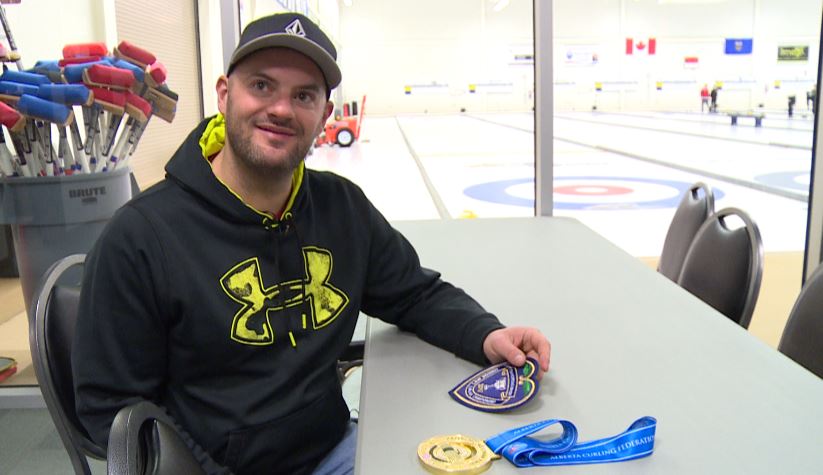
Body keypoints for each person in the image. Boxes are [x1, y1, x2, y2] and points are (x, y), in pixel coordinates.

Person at [72, 12, 551, 475]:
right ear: (224, 94)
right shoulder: (140, 237)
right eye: (261, 85)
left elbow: (413, 293)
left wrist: (485, 333)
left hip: (334, 449)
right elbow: (111, 407)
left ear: (324, 114)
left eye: (303, 95)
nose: (281, 109)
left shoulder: (341, 207)